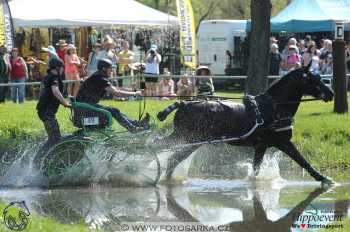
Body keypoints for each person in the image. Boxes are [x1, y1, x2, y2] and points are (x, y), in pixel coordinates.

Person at [76, 59, 150, 133]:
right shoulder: (100, 78)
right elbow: (116, 92)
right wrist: (135, 94)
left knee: (115, 111)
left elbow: (116, 88)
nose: (111, 71)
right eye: (110, 68)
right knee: (113, 111)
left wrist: (134, 90)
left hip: (86, 109)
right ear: (104, 69)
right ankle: (133, 129)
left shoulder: (98, 76)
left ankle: (136, 124)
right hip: (85, 114)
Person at [36, 58, 70, 148]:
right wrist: (65, 103)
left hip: (43, 110)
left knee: (55, 137)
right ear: (57, 68)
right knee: (55, 138)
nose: (63, 70)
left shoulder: (47, 77)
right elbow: (55, 91)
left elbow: (41, 91)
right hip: (47, 112)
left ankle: (46, 157)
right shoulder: (54, 78)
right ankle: (40, 159)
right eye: (62, 67)